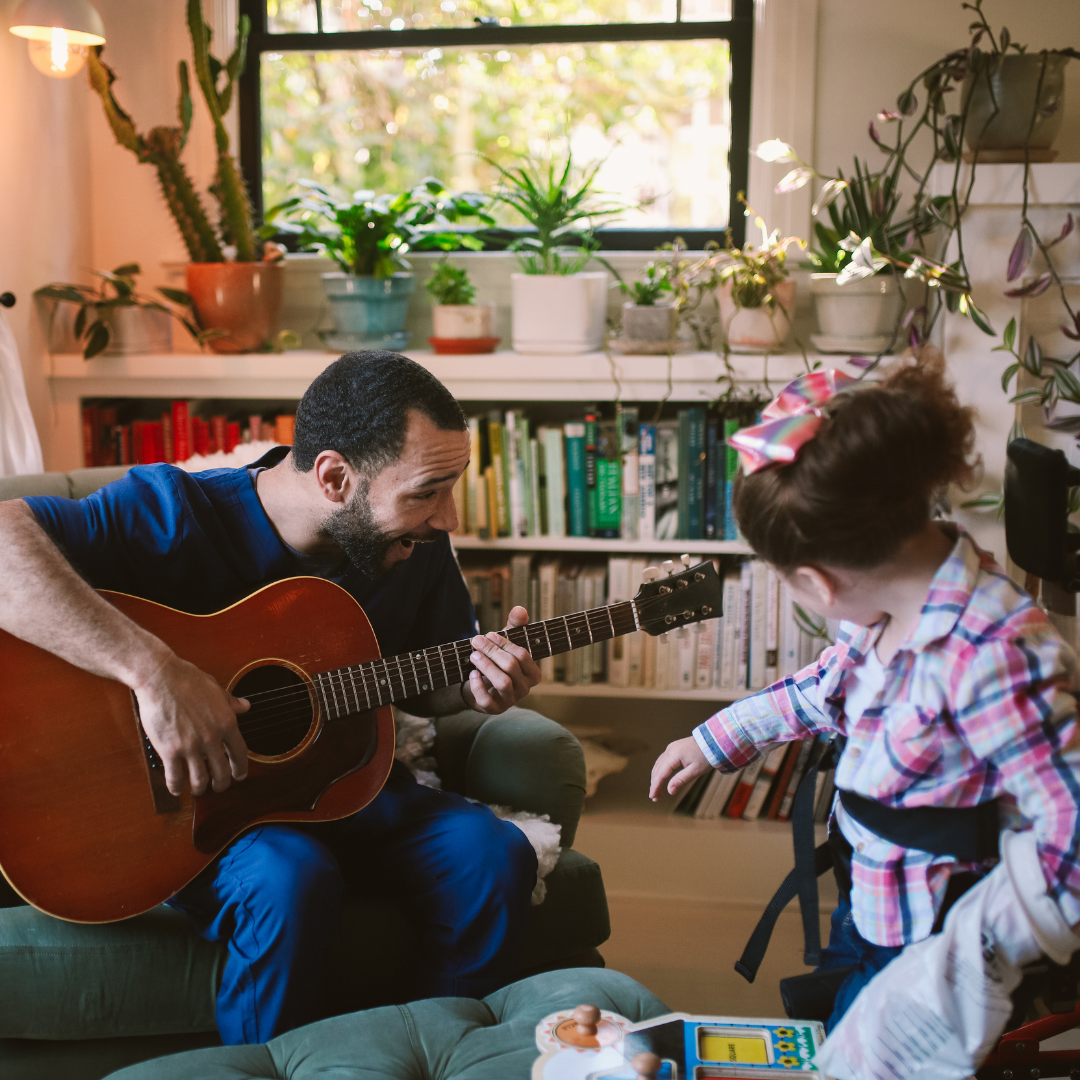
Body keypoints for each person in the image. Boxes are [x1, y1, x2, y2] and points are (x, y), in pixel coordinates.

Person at [0, 350, 542, 1046]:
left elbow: (431, 683)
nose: (448, 517)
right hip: (197, 812)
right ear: (336, 477)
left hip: (350, 783)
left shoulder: (416, 547)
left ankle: (442, 1054)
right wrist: (154, 672)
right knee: (289, 877)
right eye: (427, 490)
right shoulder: (174, 514)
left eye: (453, 486)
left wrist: (476, 687)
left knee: (492, 854)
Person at [648, 354, 1080, 1071]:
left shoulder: (991, 655)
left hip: (937, 941)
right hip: (876, 895)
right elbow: (826, 688)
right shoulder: (888, 604)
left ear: (816, 583)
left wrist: (972, 951)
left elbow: (1069, 839)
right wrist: (715, 737)